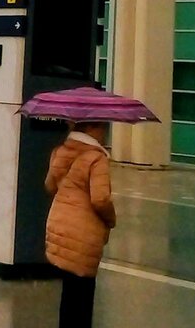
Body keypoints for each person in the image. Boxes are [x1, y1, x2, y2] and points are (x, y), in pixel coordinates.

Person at [44, 121, 116, 328]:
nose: (105, 133)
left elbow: (49, 185)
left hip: (59, 227)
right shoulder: (96, 159)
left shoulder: (61, 151)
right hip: (83, 234)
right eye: (103, 127)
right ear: (92, 128)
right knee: (83, 296)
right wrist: (111, 220)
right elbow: (100, 199)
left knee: (69, 293)